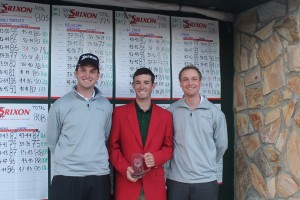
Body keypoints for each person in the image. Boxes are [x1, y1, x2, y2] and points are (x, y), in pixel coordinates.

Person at [46, 53, 113, 200]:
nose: (87, 75)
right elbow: (52, 142)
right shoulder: (60, 105)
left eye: (92, 71)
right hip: (67, 176)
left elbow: (106, 137)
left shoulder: (106, 105)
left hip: (99, 176)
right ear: (76, 73)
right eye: (83, 70)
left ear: (98, 75)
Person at [109, 68, 173, 200]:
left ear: (153, 85)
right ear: (133, 85)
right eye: (138, 82)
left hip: (154, 184)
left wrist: (156, 157)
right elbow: (113, 148)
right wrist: (125, 168)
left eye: (146, 82)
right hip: (127, 182)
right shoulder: (119, 113)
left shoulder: (166, 116)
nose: (142, 86)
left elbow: (169, 148)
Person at [166, 65, 228, 200]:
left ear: (200, 82)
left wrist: (206, 163)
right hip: (177, 181)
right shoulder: (171, 111)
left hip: (206, 181)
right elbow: (166, 143)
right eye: (185, 79)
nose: (190, 83)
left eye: (194, 79)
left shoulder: (215, 113)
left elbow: (222, 145)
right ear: (180, 83)